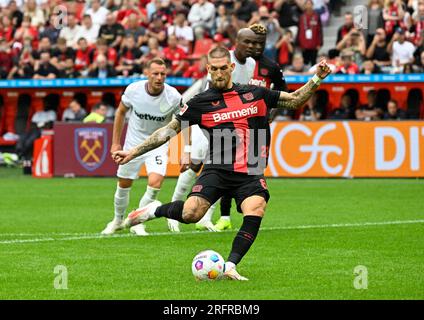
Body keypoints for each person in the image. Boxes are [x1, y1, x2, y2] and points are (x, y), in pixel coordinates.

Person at [112, 46, 331, 280]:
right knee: (191, 213)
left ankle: (230, 265)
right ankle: (152, 210)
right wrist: (133, 152)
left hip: (251, 170)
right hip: (218, 168)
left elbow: (295, 100)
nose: (218, 73)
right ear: (208, 69)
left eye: (223, 68)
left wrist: (317, 78)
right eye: (214, 69)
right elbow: (168, 131)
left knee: (255, 209)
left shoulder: (255, 93)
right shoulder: (200, 102)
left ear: (231, 68)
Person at [166, 27, 258, 234]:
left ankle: (205, 218)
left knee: (224, 169)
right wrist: (187, 148)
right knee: (192, 165)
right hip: (207, 120)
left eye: (255, 43)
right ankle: (174, 209)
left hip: (231, 122)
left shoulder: (250, 64)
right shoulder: (208, 80)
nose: (252, 46)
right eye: (248, 42)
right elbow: (184, 109)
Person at [212, 23, 289, 232]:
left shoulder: (270, 66)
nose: (256, 47)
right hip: (232, 125)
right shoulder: (235, 64)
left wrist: (272, 113)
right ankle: (224, 217)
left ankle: (250, 213)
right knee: (226, 167)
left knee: (254, 171)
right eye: (252, 42)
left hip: (258, 128)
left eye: (260, 43)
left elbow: (284, 91)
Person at [101, 58, 182, 236]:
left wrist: (184, 151)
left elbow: (183, 122)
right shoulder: (134, 90)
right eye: (155, 73)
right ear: (147, 74)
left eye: (163, 74)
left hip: (158, 145)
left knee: (155, 182)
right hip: (133, 144)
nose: (159, 77)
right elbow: (121, 111)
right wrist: (116, 142)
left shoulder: (174, 96)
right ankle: (117, 220)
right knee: (124, 183)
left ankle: (137, 221)